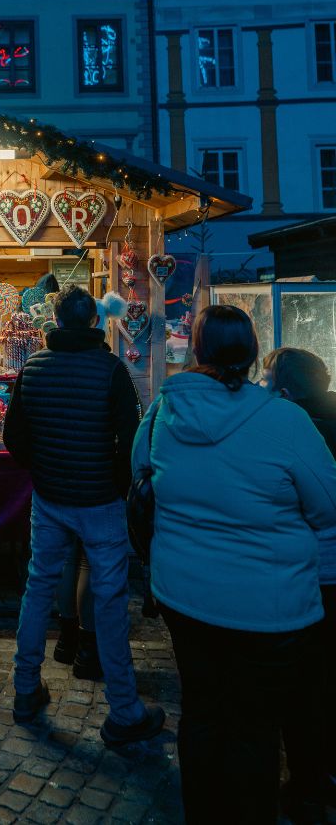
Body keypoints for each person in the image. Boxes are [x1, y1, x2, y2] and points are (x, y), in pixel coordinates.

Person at [135, 306, 336, 823]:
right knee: (254, 726)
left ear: (198, 350)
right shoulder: (284, 419)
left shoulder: (166, 411)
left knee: (202, 712)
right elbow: (328, 505)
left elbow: (140, 475)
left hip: (185, 595)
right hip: (266, 606)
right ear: (251, 354)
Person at [3, 287, 166, 744]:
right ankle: (124, 709)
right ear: (95, 322)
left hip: (50, 498)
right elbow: (131, 441)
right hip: (99, 503)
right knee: (111, 599)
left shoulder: (32, 368)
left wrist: (45, 468)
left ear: (56, 320)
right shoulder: (111, 369)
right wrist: (111, 483)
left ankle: (24, 688)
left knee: (38, 587)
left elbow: (14, 436)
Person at [261, 346, 336, 803]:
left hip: (310, 571)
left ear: (285, 391)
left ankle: (308, 780)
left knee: (306, 679)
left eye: (266, 379)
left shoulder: (291, 432)